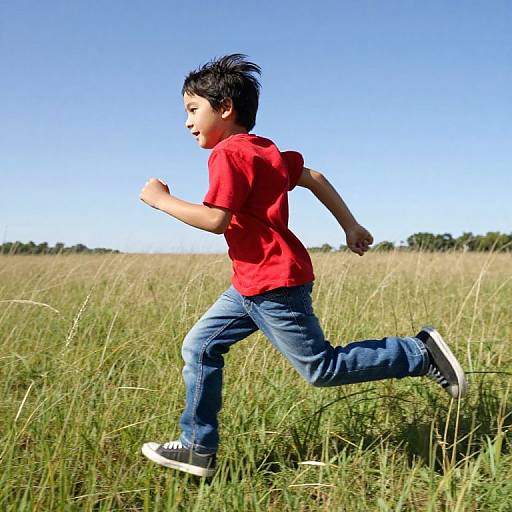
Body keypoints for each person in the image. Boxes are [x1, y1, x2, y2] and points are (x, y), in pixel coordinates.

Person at [138, 54, 467, 478]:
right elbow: (314, 176)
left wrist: (161, 200)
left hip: (273, 284)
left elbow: (215, 220)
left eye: (191, 109)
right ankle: (197, 447)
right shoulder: (264, 151)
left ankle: (418, 352)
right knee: (200, 347)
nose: (186, 122)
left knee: (321, 369)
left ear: (225, 109)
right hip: (250, 285)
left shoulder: (228, 154)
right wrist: (350, 224)